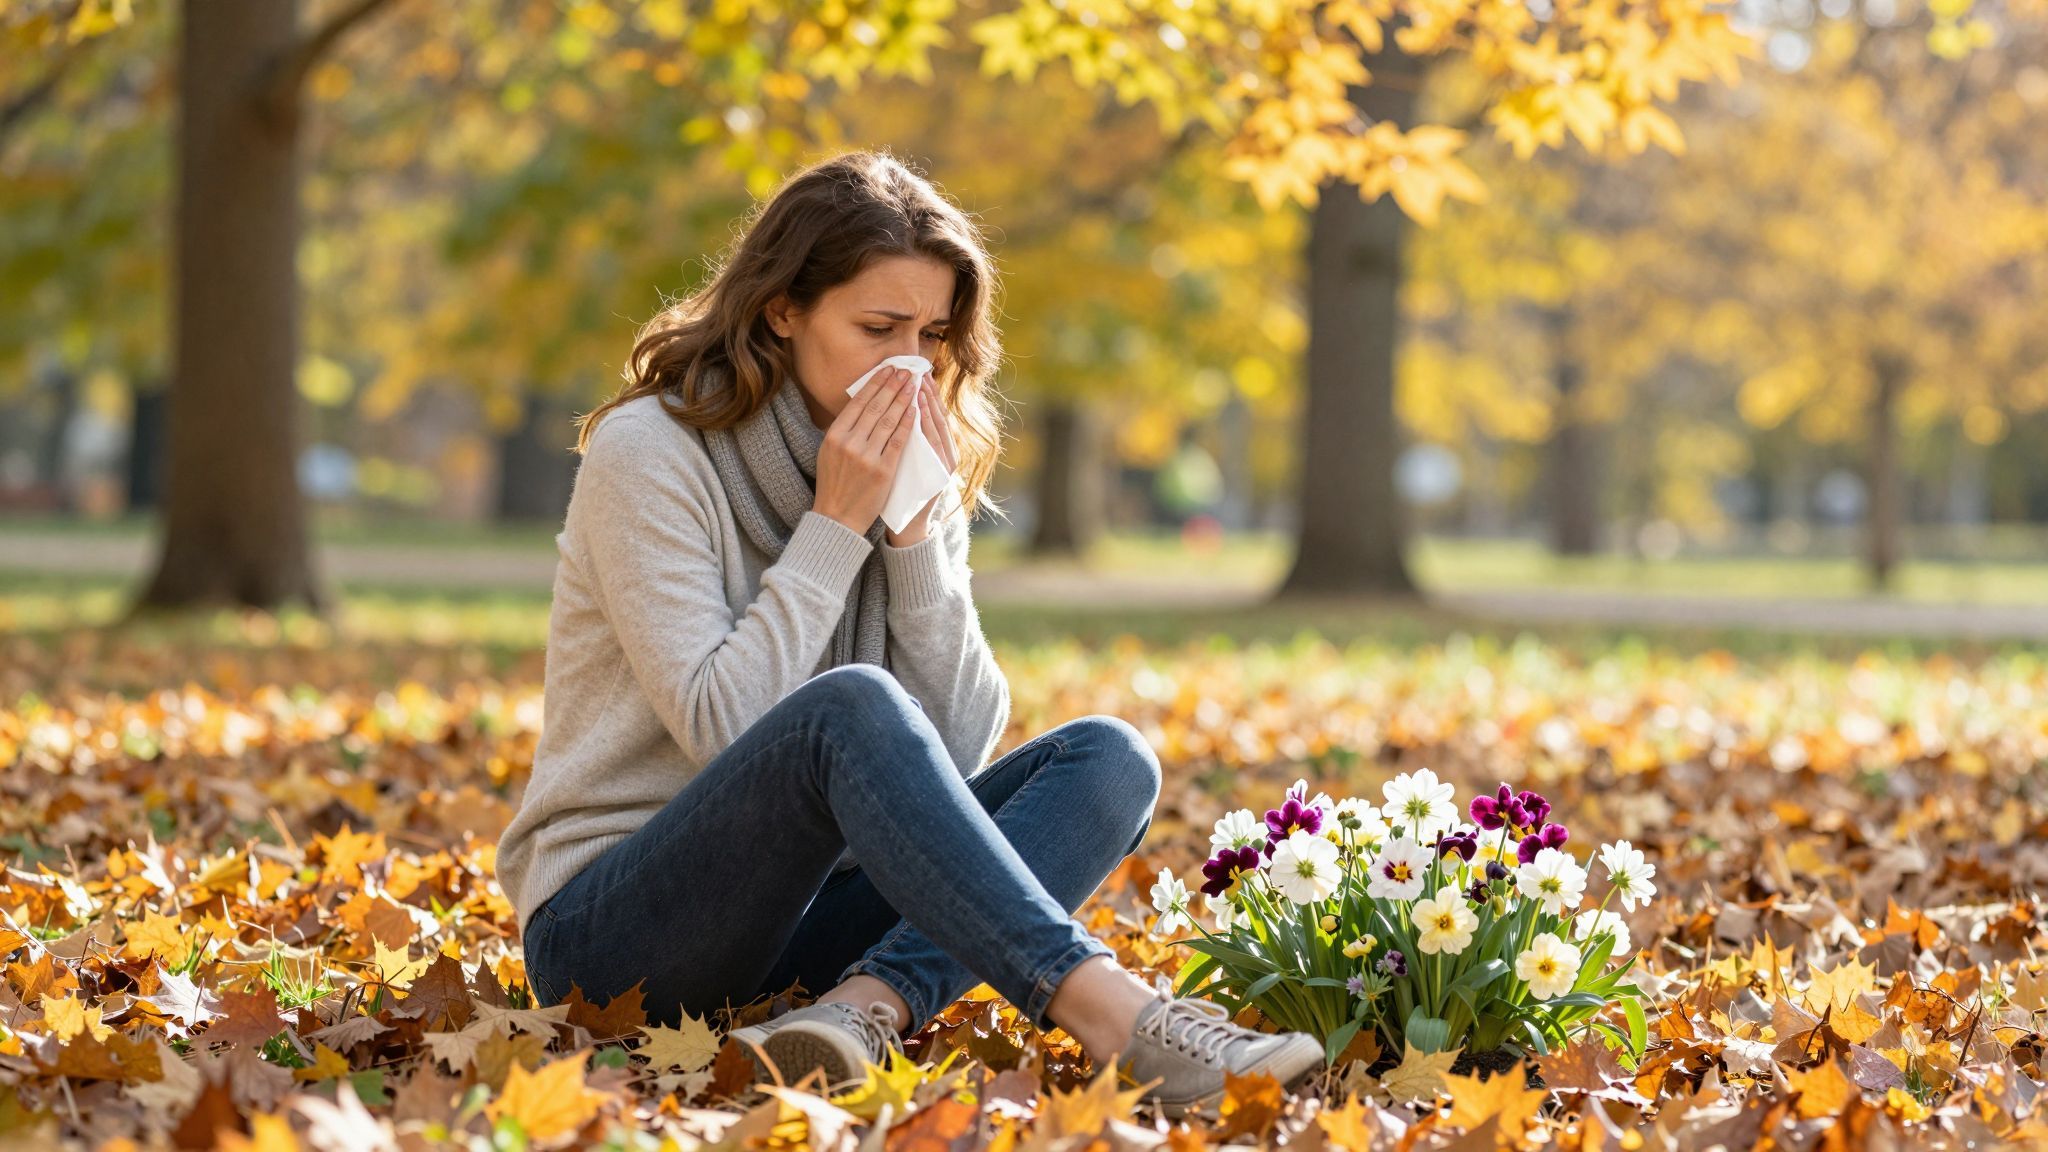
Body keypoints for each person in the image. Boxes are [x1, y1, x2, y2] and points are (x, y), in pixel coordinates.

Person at [493, 149, 1323, 1118]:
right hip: (622, 943)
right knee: (846, 706)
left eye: (931, 335)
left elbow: (959, 746)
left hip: (809, 933)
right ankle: (1110, 1013)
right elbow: (724, 727)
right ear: (781, 310)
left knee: (1108, 760)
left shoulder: (912, 459)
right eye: (877, 327)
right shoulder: (651, 453)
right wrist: (834, 529)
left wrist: (917, 536)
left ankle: (857, 1010)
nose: (909, 364)